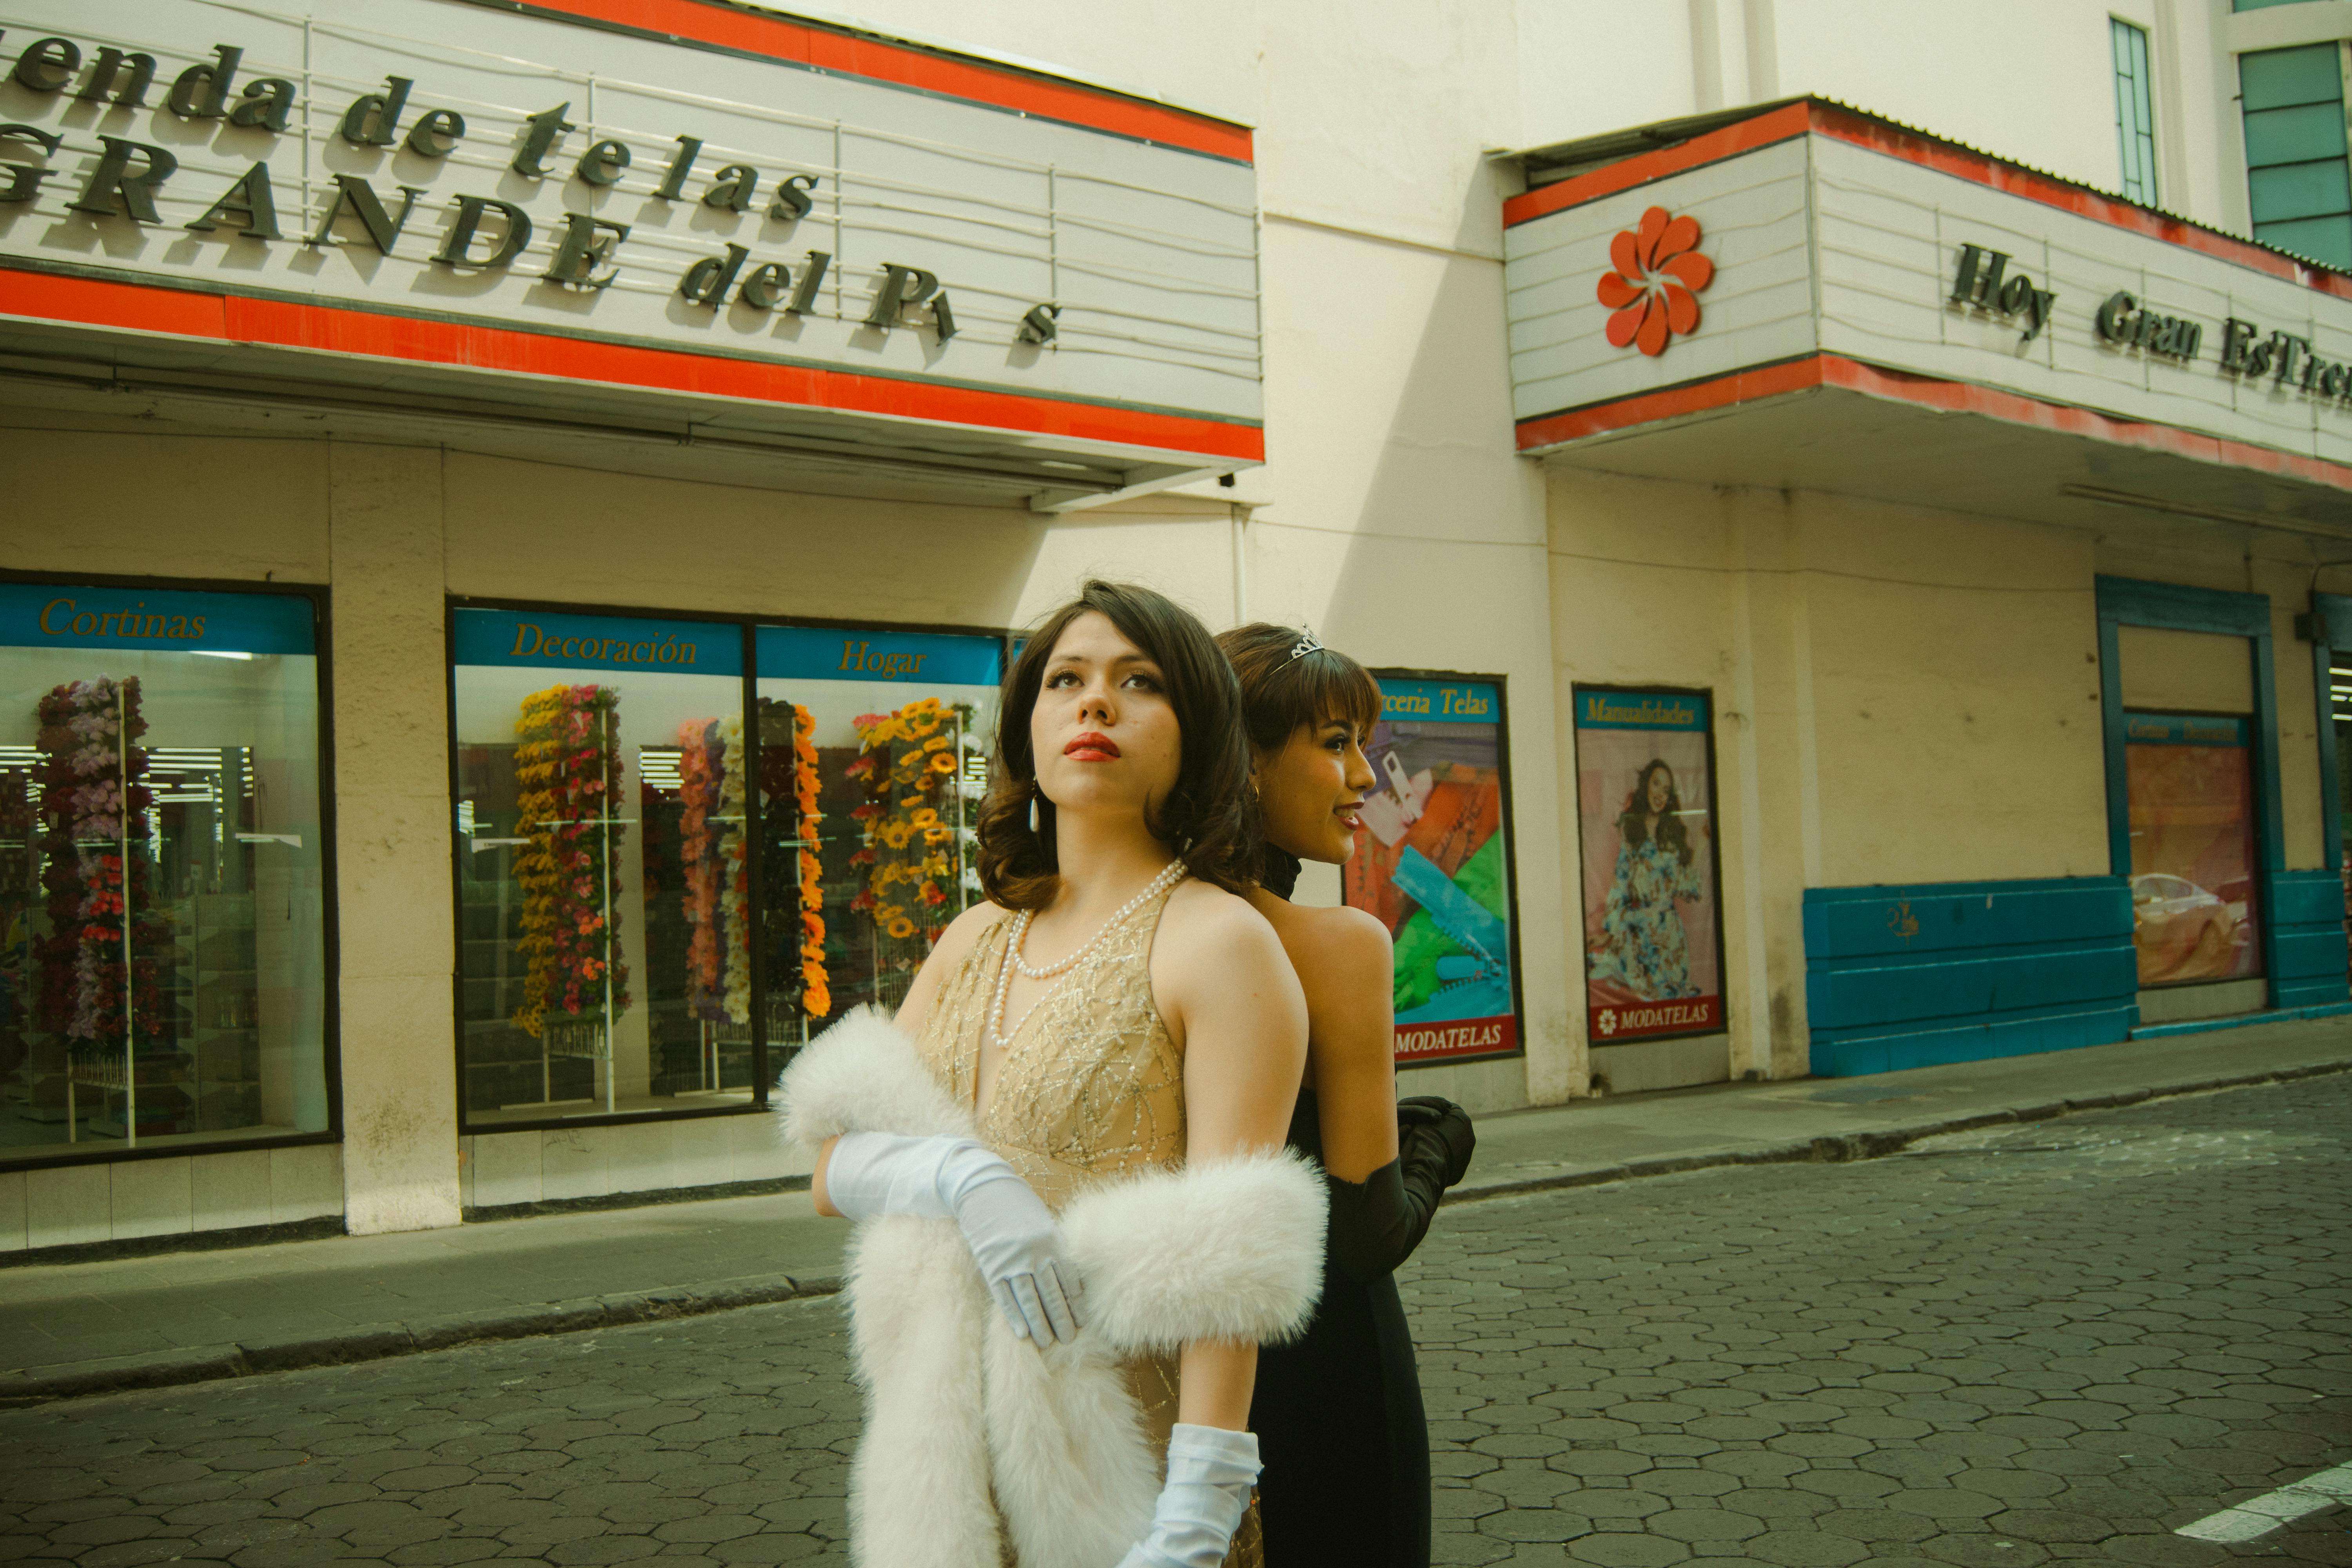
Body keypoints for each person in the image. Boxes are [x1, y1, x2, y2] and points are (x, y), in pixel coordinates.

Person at [779, 581, 1321, 1568]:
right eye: (1064, 678)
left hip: (1120, 1470)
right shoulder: (975, 936)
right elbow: (827, 1169)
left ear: (1195, 730)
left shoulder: (1218, 941)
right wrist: (960, 1177)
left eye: (1138, 680)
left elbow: (1231, 1272)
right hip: (946, 1463)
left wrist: (1193, 1523)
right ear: (1027, 728)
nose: (1095, 702)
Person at [1216, 623, 1477, 1568]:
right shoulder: (1335, 945)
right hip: (1326, 1375)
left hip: (1178, 1381)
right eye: (1336, 744)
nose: (1367, 776)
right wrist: (1441, 1142)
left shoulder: (1139, 923)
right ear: (1244, 761)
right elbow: (1367, 1236)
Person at [1587, 757, 1705, 1001]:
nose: (1661, 794)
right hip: (1637, 936)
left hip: (1668, 936)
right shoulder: (1633, 831)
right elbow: (1621, 885)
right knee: (1639, 1001)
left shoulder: (1673, 833)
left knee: (1670, 1004)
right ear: (1646, 787)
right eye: (1656, 784)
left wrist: (1703, 842)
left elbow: (1685, 887)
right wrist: (1608, 934)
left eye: (1666, 789)